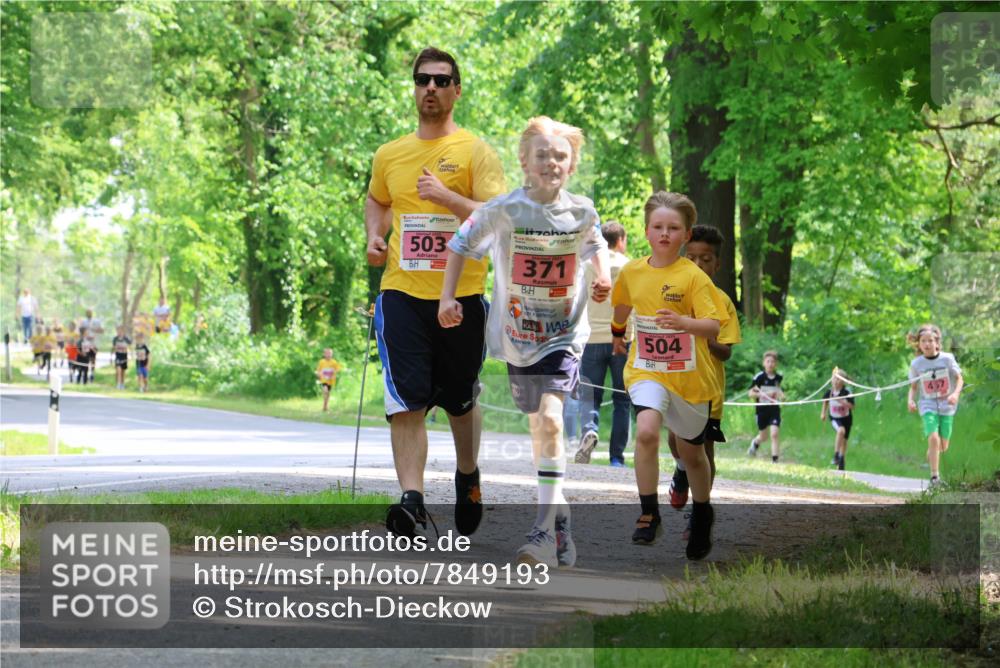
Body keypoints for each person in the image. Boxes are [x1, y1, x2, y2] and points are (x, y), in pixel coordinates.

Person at [440, 116, 611, 567]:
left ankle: (541, 533)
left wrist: (603, 279)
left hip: (563, 336)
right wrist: (447, 298)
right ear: (524, 161)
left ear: (572, 165)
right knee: (540, 429)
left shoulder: (582, 211)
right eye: (542, 155)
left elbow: (595, 245)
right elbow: (458, 245)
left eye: (560, 156)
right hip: (518, 339)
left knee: (552, 421)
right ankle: (559, 514)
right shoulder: (503, 210)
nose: (551, 162)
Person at [366, 47, 506, 539]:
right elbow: (378, 199)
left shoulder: (475, 152)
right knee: (405, 400)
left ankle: (468, 475)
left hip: (462, 295)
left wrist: (447, 198)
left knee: (460, 399)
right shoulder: (390, 154)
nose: (431, 87)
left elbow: (499, 219)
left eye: (441, 81)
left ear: (456, 91)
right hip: (402, 292)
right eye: (423, 79)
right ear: (414, 87)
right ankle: (411, 499)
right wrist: (375, 235)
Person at [611, 192, 725, 561]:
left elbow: (713, 326)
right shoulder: (632, 271)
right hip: (646, 369)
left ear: (686, 235)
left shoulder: (693, 277)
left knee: (692, 455)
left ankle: (703, 512)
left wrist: (683, 323)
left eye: (673, 228)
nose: (664, 233)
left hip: (689, 379)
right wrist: (617, 333)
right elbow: (622, 303)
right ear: (646, 231)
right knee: (646, 431)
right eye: (658, 226)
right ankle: (649, 513)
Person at [666, 225, 742, 527]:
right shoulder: (672, 294)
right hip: (674, 381)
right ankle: (681, 469)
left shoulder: (722, 301)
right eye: (692, 258)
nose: (698, 265)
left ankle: (699, 513)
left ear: (717, 264)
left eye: (706, 259)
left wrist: (705, 337)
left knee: (704, 450)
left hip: (707, 388)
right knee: (675, 439)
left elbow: (726, 352)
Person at [575, 221, 633, 467]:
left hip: (591, 338)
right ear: (620, 240)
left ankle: (590, 429)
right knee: (622, 400)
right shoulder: (628, 266)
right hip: (622, 338)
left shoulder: (587, 264)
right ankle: (616, 458)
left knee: (590, 395)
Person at [907, 324, 963, 487]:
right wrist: (910, 400)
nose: (927, 344)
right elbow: (913, 387)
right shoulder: (916, 364)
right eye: (923, 341)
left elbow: (960, 379)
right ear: (919, 344)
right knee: (933, 437)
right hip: (927, 404)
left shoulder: (947, 359)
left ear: (937, 343)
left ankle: (933, 453)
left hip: (947, 406)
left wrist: (955, 394)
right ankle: (934, 477)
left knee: (943, 446)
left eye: (930, 341)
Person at [748, 351, 785, 463]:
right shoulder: (759, 377)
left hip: (774, 410)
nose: (770, 364)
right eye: (768, 361)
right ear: (764, 363)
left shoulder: (778, 378)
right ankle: (755, 443)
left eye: (773, 362)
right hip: (761, 411)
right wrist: (763, 395)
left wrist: (782, 396)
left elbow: (779, 390)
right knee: (763, 437)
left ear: (776, 364)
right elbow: (750, 393)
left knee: (774, 434)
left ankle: (775, 460)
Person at [821, 367, 855, 471]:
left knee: (844, 440)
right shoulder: (829, 392)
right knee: (841, 431)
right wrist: (823, 413)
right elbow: (825, 402)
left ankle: (841, 459)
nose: (835, 381)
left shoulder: (847, 392)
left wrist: (842, 402)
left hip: (846, 419)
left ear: (843, 381)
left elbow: (852, 406)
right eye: (834, 378)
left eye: (838, 379)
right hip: (835, 418)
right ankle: (836, 455)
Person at [315, 348, 343, 412]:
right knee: (325, 390)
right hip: (324, 380)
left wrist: (334, 373)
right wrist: (318, 374)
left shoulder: (334, 362)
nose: (328, 355)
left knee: (328, 393)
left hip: (331, 381)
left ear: (332, 354)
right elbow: (318, 370)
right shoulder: (322, 362)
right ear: (324, 354)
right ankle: (325, 406)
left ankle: (325, 406)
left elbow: (338, 369)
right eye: (327, 353)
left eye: (330, 353)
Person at [111, 325, 132, 390]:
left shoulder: (126, 339)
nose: (119, 332)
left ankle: (122, 384)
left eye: (120, 331)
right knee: (118, 370)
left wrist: (130, 355)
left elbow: (130, 345)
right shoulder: (115, 339)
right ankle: (118, 384)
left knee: (123, 371)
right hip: (118, 356)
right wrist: (111, 356)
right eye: (118, 331)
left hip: (124, 356)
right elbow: (113, 347)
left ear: (123, 331)